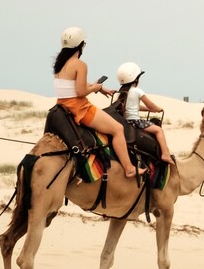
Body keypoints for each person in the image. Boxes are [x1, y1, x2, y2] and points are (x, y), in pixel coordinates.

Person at [53, 27, 143, 178]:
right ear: (81, 45)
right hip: (80, 108)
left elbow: (72, 85)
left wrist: (99, 88)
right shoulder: (80, 64)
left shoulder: (60, 64)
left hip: (63, 106)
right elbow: (80, 92)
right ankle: (129, 169)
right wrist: (94, 88)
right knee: (118, 129)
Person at [117, 62, 174, 164]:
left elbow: (134, 107)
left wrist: (148, 110)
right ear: (136, 79)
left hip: (125, 122)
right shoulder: (137, 91)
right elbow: (151, 105)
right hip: (136, 122)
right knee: (159, 131)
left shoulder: (122, 92)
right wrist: (158, 109)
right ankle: (165, 154)